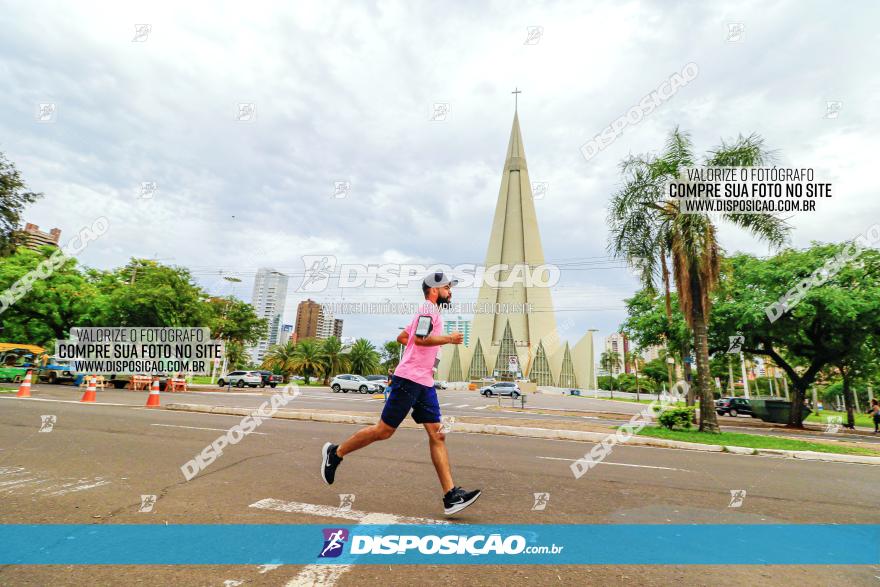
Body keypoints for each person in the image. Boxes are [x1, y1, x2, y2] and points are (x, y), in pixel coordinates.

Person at [320, 272, 481, 515]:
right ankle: (336, 452)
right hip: (408, 379)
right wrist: (448, 339)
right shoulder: (428, 309)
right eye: (448, 287)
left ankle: (451, 496)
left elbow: (403, 336)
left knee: (438, 435)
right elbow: (419, 338)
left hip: (424, 382)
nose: (451, 292)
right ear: (434, 290)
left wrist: (421, 349)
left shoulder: (430, 312)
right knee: (383, 431)